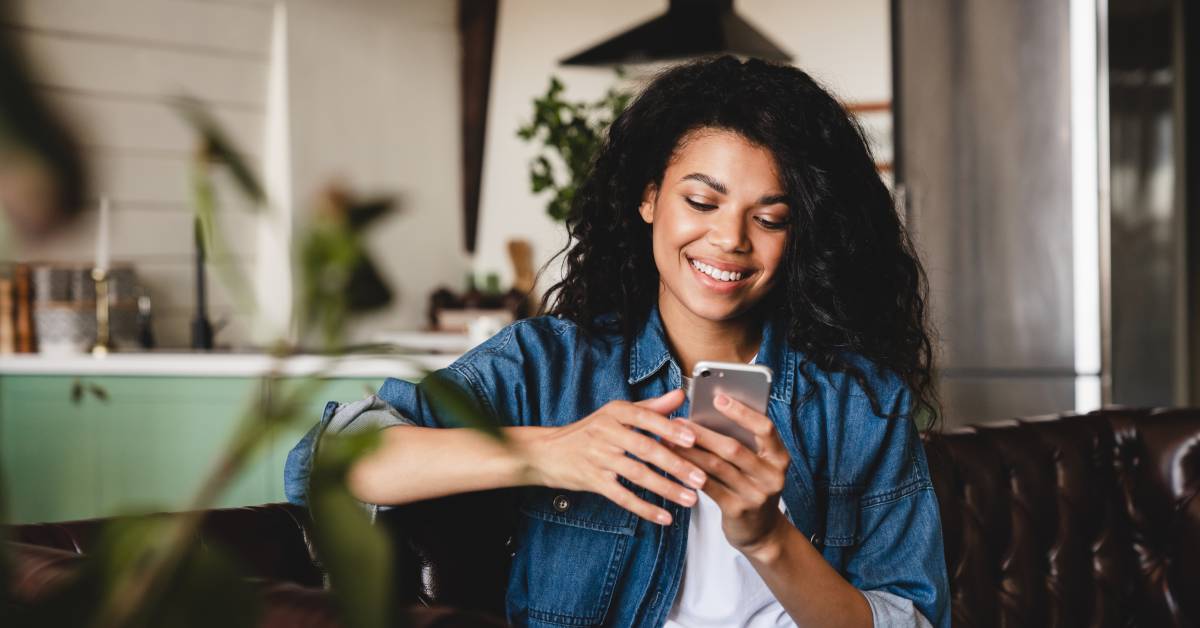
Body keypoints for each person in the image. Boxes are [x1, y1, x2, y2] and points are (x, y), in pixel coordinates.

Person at [285, 56, 949, 628]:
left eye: (769, 218)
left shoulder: (856, 401)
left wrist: (770, 539)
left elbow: (910, 617)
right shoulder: (549, 366)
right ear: (649, 199)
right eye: (702, 202)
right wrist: (550, 452)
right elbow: (332, 463)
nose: (730, 240)